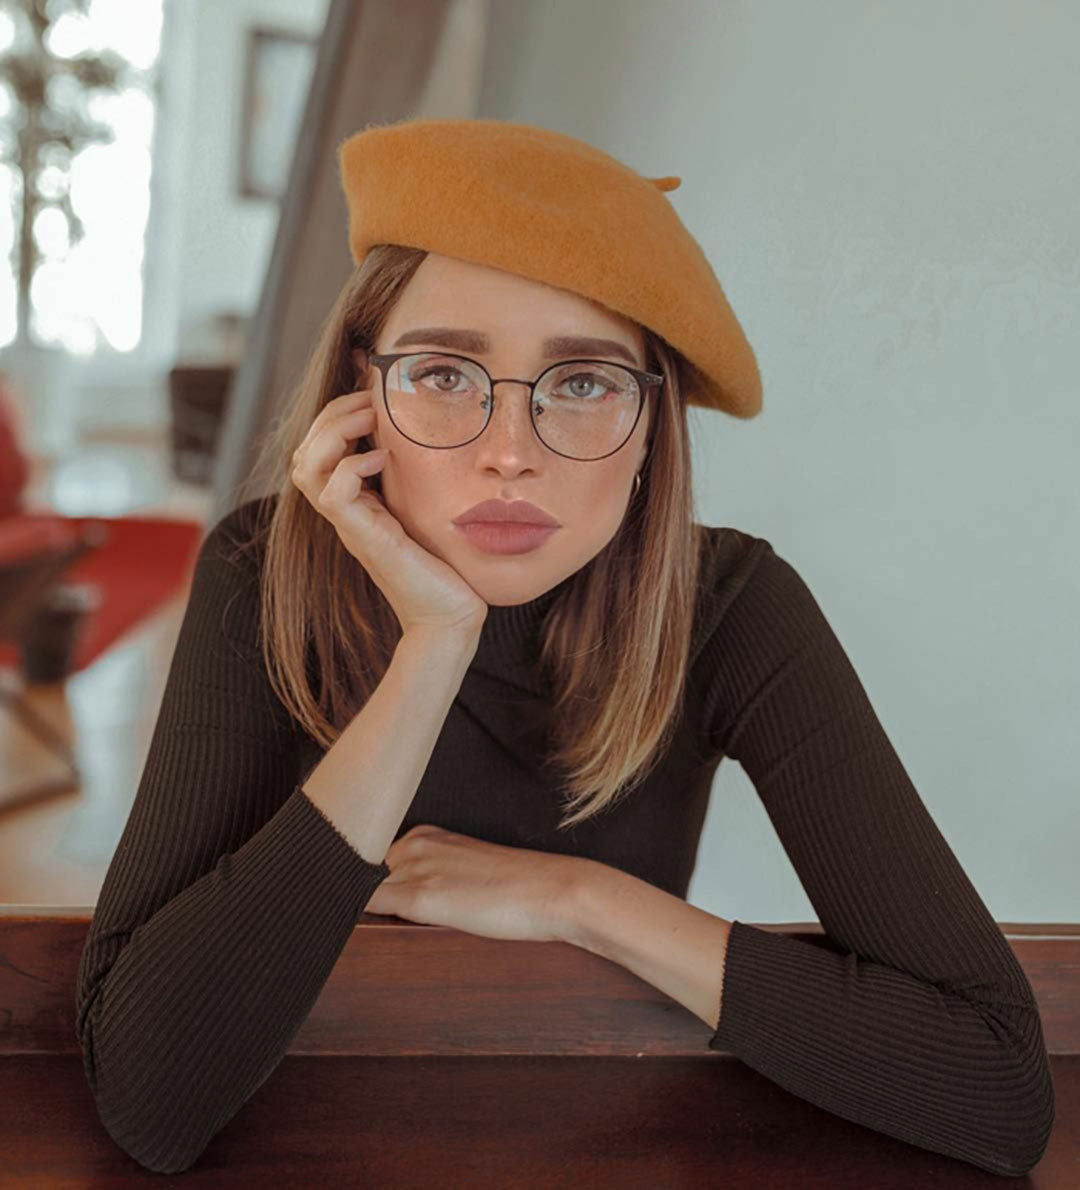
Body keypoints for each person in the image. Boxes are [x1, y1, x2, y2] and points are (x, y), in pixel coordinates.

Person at [73, 118, 1053, 1176]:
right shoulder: (261, 570)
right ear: (363, 397)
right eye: (445, 372)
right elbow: (147, 1098)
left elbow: (995, 1086)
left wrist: (576, 899)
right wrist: (435, 643)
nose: (508, 454)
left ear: (649, 429)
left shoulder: (731, 605)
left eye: (582, 383)